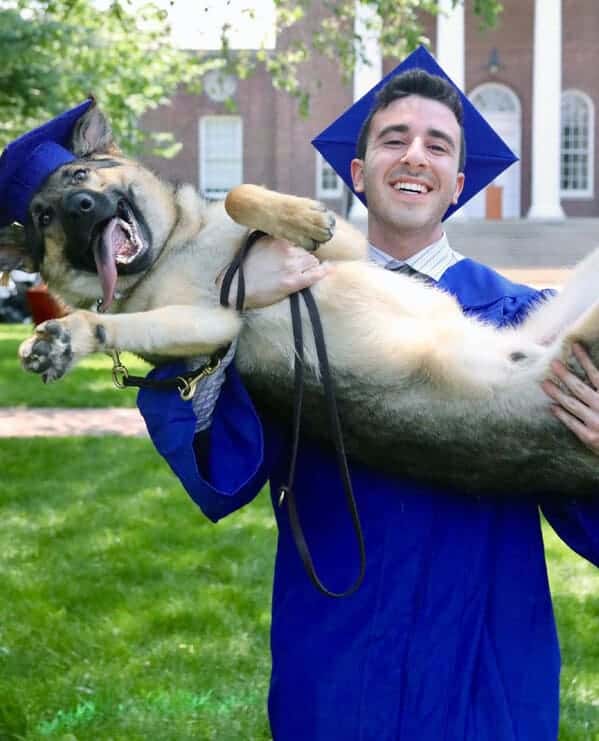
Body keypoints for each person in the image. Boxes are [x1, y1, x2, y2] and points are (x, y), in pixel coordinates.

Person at [138, 67, 599, 740]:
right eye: (393, 139)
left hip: (485, 651)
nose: (414, 156)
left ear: (458, 184)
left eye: (438, 145)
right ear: (357, 173)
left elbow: (581, 506)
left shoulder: (518, 320)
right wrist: (224, 314)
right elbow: (222, 466)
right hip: (342, 649)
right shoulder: (286, 309)